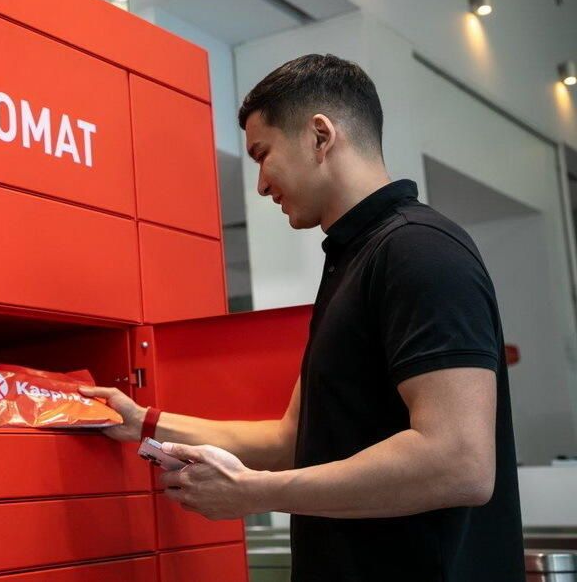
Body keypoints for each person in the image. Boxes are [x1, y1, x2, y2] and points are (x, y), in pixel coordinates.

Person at [80, 54, 525, 581]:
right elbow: (293, 440)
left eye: (262, 154)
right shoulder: (352, 262)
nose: (261, 185)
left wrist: (255, 493)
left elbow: (459, 462)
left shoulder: (418, 250)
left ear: (320, 135)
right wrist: (142, 423)